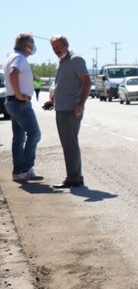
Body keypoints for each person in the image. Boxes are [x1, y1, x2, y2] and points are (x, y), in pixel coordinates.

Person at [45, 35, 92, 188]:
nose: (56, 50)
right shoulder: (62, 61)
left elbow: (87, 81)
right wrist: (52, 100)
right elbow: (61, 84)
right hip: (61, 108)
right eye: (53, 47)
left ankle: (74, 178)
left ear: (66, 45)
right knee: (68, 144)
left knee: (70, 144)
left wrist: (81, 104)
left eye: (58, 46)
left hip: (71, 109)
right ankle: (74, 177)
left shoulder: (75, 59)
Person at [3, 33, 43, 182]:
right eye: (32, 44)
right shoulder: (19, 58)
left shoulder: (11, 57)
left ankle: (18, 171)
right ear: (27, 45)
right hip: (20, 103)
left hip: (13, 102)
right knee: (35, 134)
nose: (33, 48)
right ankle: (26, 169)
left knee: (19, 137)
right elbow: (14, 73)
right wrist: (20, 95)